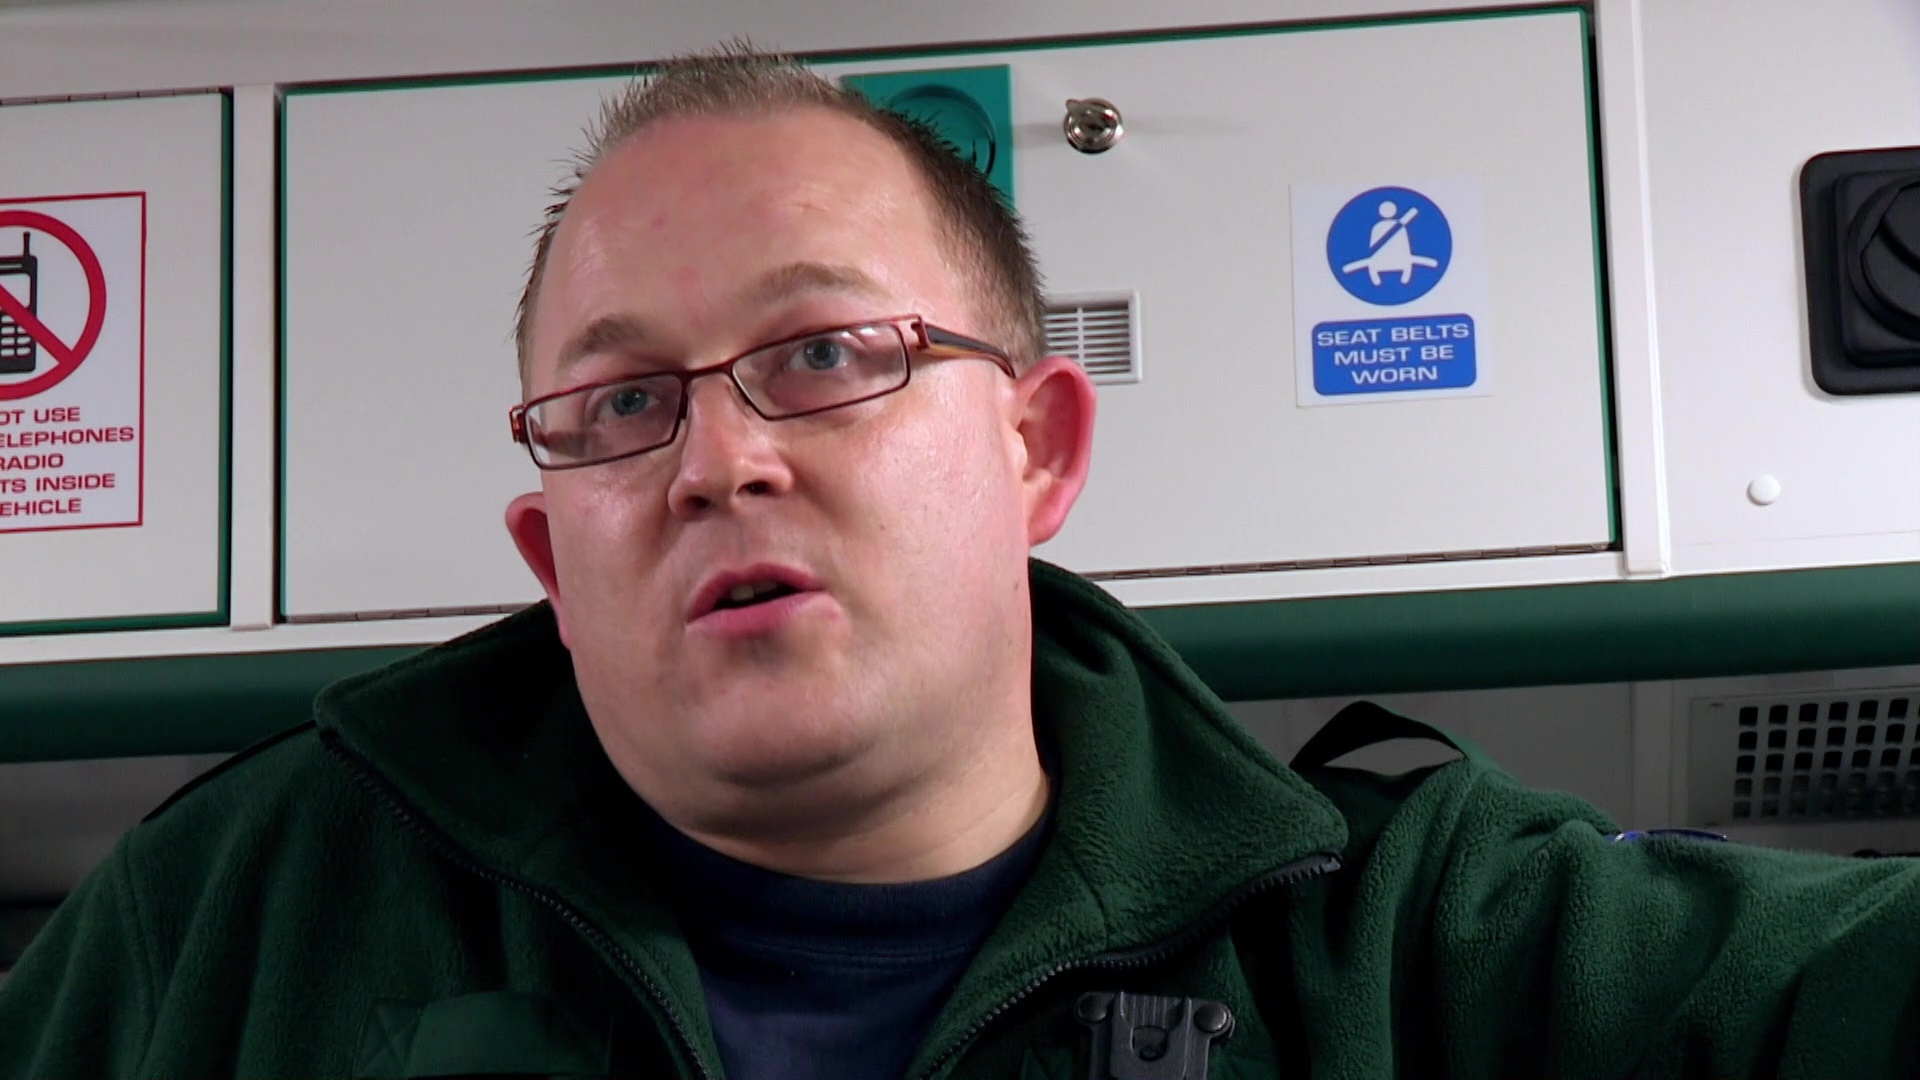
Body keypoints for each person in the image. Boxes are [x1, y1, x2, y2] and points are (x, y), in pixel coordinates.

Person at [4, 44, 1919, 1080]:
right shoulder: (228, 926)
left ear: (1037, 450)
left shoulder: (1416, 946)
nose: (720, 461)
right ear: (552, 565)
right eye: (623, 405)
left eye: (825, 354)